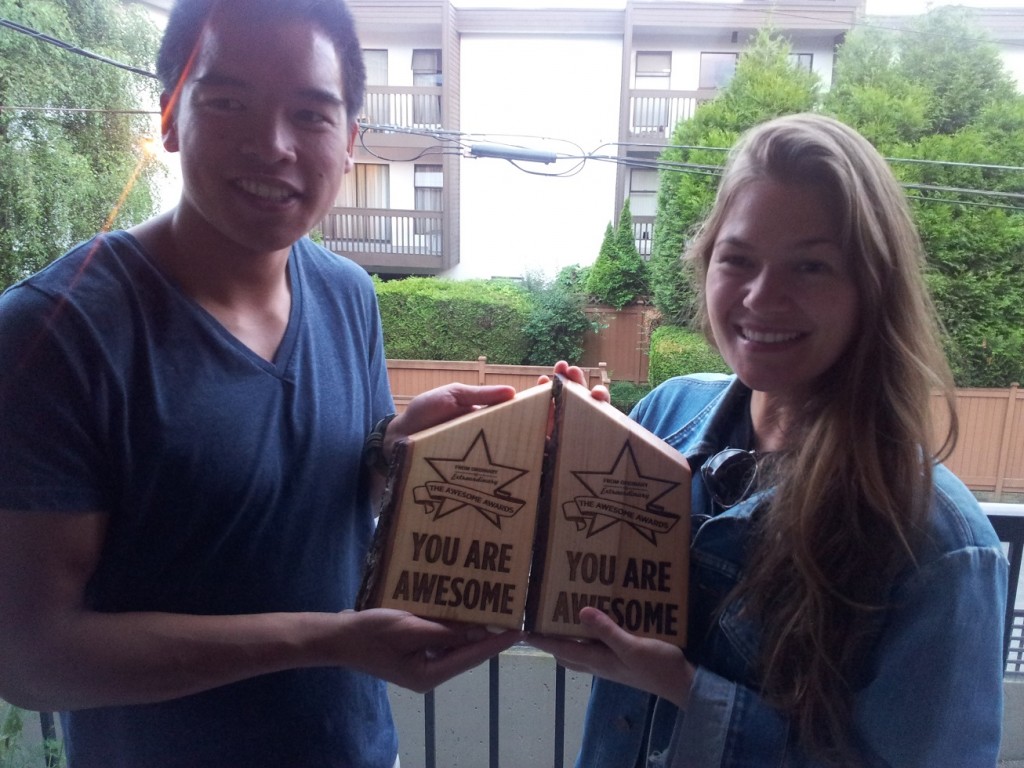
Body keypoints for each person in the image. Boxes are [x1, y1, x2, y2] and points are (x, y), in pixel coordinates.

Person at [0, 1, 519, 766]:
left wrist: (396, 452)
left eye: (310, 114)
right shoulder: (55, 332)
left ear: (349, 141)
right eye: (227, 102)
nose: (273, 144)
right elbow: (32, 657)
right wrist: (328, 640)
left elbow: (327, 499)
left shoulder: (348, 293)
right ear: (170, 118)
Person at [530, 114, 1008, 767]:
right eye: (738, 259)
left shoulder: (936, 544)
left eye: (810, 266)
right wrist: (558, 465)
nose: (762, 296)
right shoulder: (666, 413)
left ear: (872, 288)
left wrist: (683, 687)